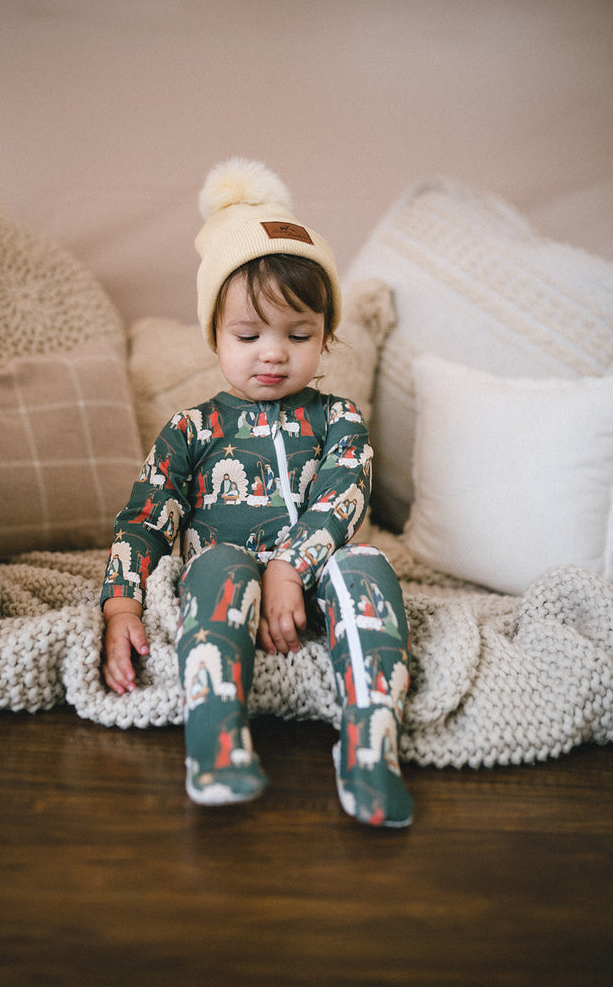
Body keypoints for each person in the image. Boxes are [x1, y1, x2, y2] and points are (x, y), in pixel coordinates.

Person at [100, 159, 412, 827]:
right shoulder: (192, 428)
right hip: (226, 569)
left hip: (316, 571)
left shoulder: (338, 419)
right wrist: (121, 605)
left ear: (325, 335)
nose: (272, 353)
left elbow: (344, 492)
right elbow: (145, 517)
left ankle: (371, 745)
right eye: (248, 335)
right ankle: (216, 743)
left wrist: (290, 567)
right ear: (214, 334)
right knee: (217, 564)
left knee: (368, 563)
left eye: (298, 335)